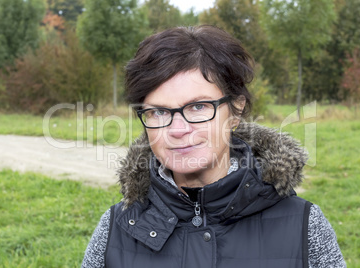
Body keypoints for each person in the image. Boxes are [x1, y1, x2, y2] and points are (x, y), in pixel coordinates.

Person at [81, 25, 346, 268]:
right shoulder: (115, 229)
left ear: (236, 109)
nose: (177, 130)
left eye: (198, 107)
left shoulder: (303, 226)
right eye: (159, 112)